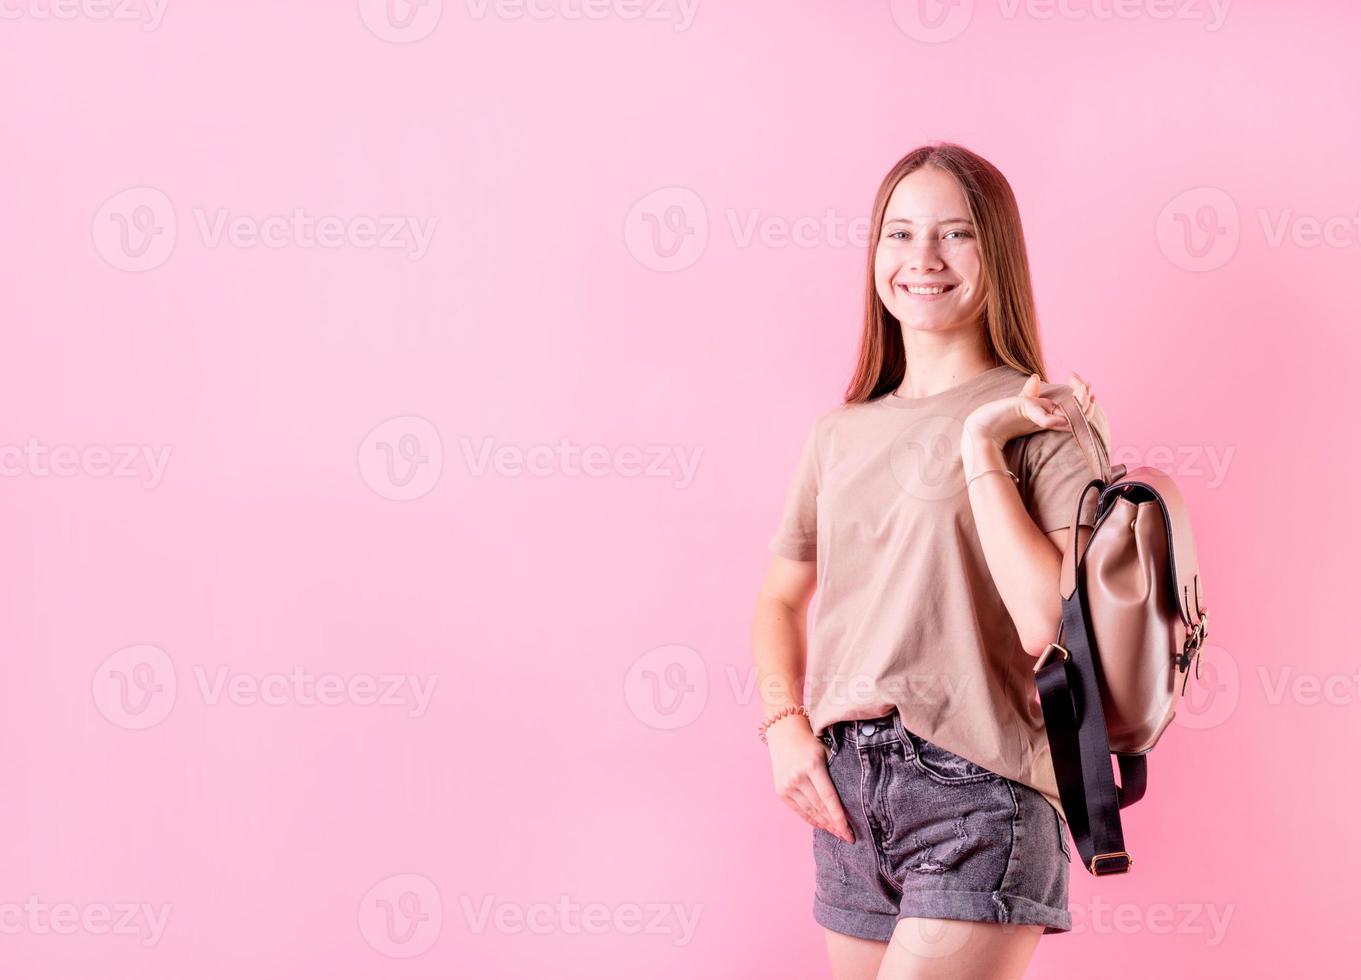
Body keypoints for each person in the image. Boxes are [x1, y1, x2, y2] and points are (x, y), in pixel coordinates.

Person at [751, 143, 1110, 980]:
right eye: (899, 233)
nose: (922, 260)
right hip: (846, 795)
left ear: (997, 255)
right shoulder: (838, 432)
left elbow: (1040, 624)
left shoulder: (1041, 420)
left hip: (979, 790)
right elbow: (779, 595)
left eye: (954, 235)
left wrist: (983, 443)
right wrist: (782, 728)